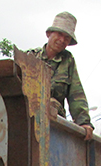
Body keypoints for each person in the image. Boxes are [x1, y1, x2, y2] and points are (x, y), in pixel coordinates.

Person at [28, 12, 94, 140]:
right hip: (27, 117)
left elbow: (76, 94)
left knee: (51, 103)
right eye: (59, 34)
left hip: (53, 124)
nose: (62, 40)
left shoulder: (67, 61)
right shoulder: (30, 57)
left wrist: (83, 122)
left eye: (67, 38)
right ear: (49, 34)